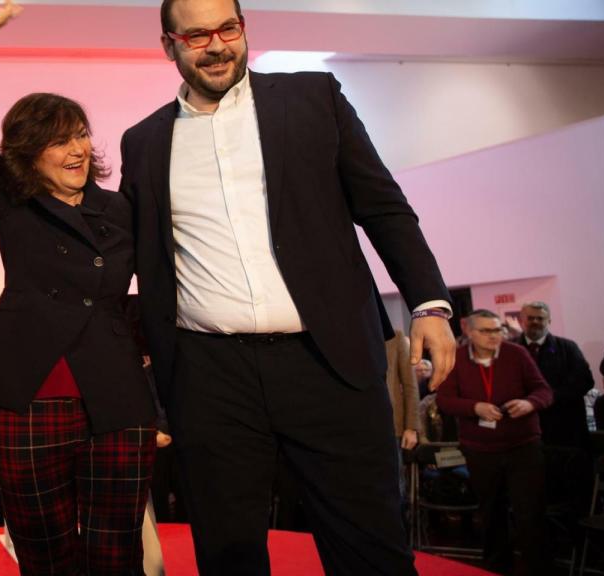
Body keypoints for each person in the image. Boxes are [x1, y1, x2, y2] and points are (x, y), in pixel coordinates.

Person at [118, 0, 457, 572]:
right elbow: (134, 256)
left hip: (328, 363)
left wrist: (429, 303)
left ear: (243, 29)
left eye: (228, 28)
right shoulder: (143, 142)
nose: (218, 45)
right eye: (197, 35)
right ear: (169, 44)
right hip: (209, 376)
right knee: (229, 554)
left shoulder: (314, 99)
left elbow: (384, 209)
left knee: (370, 547)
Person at [0, 4, 157, 572]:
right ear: (27, 151)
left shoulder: (120, 209)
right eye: (59, 140)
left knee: (116, 553)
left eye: (82, 135)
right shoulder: (12, 203)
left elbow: (154, 292)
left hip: (115, 399)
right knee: (45, 555)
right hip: (27, 400)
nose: (77, 149)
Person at [436, 310, 553, 575]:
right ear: (469, 331)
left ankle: (539, 568)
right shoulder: (456, 359)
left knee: (530, 513)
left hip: (522, 445)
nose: (494, 336)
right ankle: (496, 568)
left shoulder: (517, 354)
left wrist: (529, 403)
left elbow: (544, 391)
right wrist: (474, 407)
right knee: (490, 514)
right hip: (480, 450)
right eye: (487, 331)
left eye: (498, 329)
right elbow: (444, 399)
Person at [512, 302, 594, 448]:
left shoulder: (568, 348)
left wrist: (546, 398)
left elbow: (584, 382)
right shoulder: (509, 350)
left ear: (549, 321)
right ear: (521, 320)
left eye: (540, 318)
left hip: (565, 427)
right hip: (523, 428)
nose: (535, 322)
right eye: (530, 318)